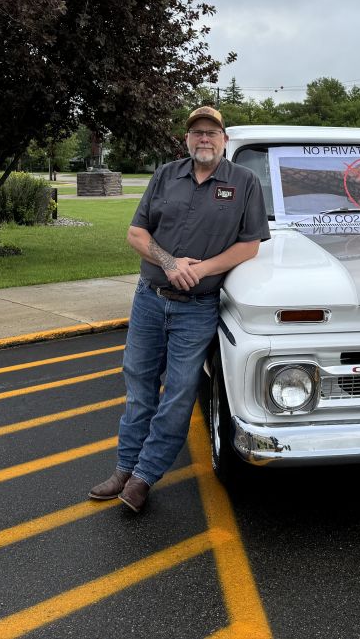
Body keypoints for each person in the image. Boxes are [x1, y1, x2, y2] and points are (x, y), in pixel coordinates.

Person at [88, 106, 270, 512]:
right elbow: (137, 233)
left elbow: (250, 245)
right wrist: (171, 263)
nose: (204, 139)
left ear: (224, 139)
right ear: (187, 140)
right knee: (139, 388)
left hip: (197, 307)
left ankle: (143, 478)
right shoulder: (166, 175)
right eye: (196, 133)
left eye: (211, 132)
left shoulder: (245, 183)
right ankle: (123, 467)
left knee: (179, 395)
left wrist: (200, 269)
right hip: (150, 299)